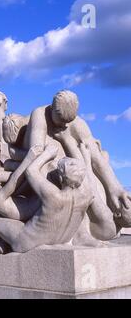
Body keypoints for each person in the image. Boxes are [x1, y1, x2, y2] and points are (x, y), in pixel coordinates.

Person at [24, 90, 130, 238]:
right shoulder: (40, 115)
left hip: (73, 171)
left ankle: (85, 230)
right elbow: (36, 152)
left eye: (69, 121)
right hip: (50, 171)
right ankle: (79, 233)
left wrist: (116, 188)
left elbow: (97, 158)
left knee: (90, 185)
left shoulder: (77, 123)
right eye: (61, 120)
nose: (66, 125)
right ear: (53, 109)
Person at [0, 144, 95, 253]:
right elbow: (88, 178)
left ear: (60, 178)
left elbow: (31, 171)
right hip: (58, 240)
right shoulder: (87, 196)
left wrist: (47, 154)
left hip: (26, 241)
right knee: (2, 218)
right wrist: (86, 160)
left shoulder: (53, 195)